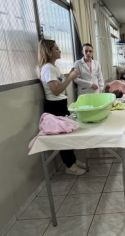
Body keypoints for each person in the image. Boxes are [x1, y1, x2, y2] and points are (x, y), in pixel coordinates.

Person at [38, 39, 86, 175]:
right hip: (54, 106)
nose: (59, 50)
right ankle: (69, 166)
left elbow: (59, 85)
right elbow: (56, 90)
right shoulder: (47, 68)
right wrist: (70, 78)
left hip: (60, 104)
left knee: (68, 134)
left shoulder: (53, 67)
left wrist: (69, 75)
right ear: (49, 51)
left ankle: (72, 160)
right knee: (63, 137)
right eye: (56, 48)